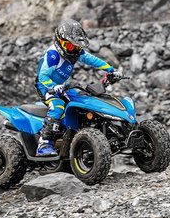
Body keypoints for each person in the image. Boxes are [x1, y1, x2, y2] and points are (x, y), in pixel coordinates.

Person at [34, 19, 122, 156]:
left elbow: (93, 60)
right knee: (57, 106)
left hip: (62, 86)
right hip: (46, 87)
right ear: (60, 42)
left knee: (83, 101)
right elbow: (42, 76)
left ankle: (78, 133)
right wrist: (54, 87)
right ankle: (44, 143)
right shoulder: (53, 55)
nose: (74, 50)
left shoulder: (76, 53)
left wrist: (111, 70)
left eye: (77, 47)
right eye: (70, 46)